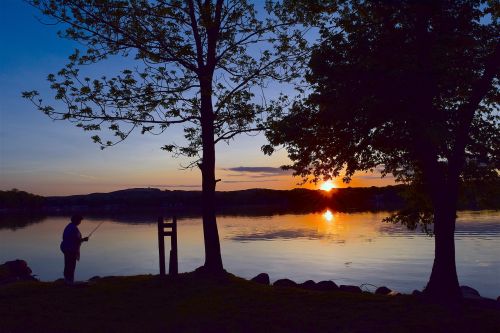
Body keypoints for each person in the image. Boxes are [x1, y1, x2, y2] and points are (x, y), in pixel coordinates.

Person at [60, 215, 89, 284]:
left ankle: (67, 280)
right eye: (79, 220)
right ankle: (70, 281)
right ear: (76, 220)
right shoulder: (73, 228)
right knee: (71, 265)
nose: (80, 222)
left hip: (66, 247)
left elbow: (73, 239)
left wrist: (82, 240)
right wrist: (84, 239)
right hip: (70, 249)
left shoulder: (69, 226)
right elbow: (76, 240)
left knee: (67, 264)